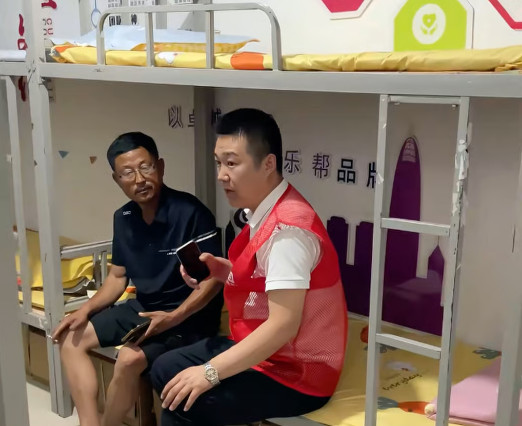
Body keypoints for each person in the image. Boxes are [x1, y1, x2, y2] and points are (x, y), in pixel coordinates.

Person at [150, 109, 347, 425]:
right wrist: (221, 271)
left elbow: (283, 325)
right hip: (268, 349)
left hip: (298, 372)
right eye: (218, 163)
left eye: (231, 163)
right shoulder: (265, 209)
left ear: (268, 164)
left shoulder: (287, 232)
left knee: (184, 400)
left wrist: (209, 373)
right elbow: (265, 280)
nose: (221, 175)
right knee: (165, 368)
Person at [51, 132, 224, 426]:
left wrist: (174, 317)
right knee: (70, 338)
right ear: (116, 179)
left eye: (146, 167)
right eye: (127, 173)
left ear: (161, 167)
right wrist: (85, 310)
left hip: (187, 316)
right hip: (144, 309)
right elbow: (117, 277)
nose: (139, 179)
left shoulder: (191, 212)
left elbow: (214, 281)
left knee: (129, 359)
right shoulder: (124, 217)